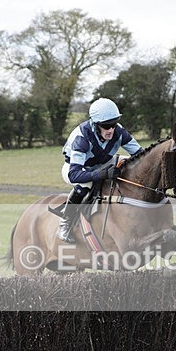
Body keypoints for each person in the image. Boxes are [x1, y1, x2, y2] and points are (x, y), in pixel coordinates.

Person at [56, 98, 143, 243]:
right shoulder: (82, 138)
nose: (111, 130)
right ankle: (65, 223)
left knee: (129, 164)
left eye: (113, 124)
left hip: (103, 163)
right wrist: (101, 174)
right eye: (106, 126)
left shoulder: (119, 131)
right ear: (95, 124)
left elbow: (140, 155)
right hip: (76, 168)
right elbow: (74, 174)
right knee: (86, 184)